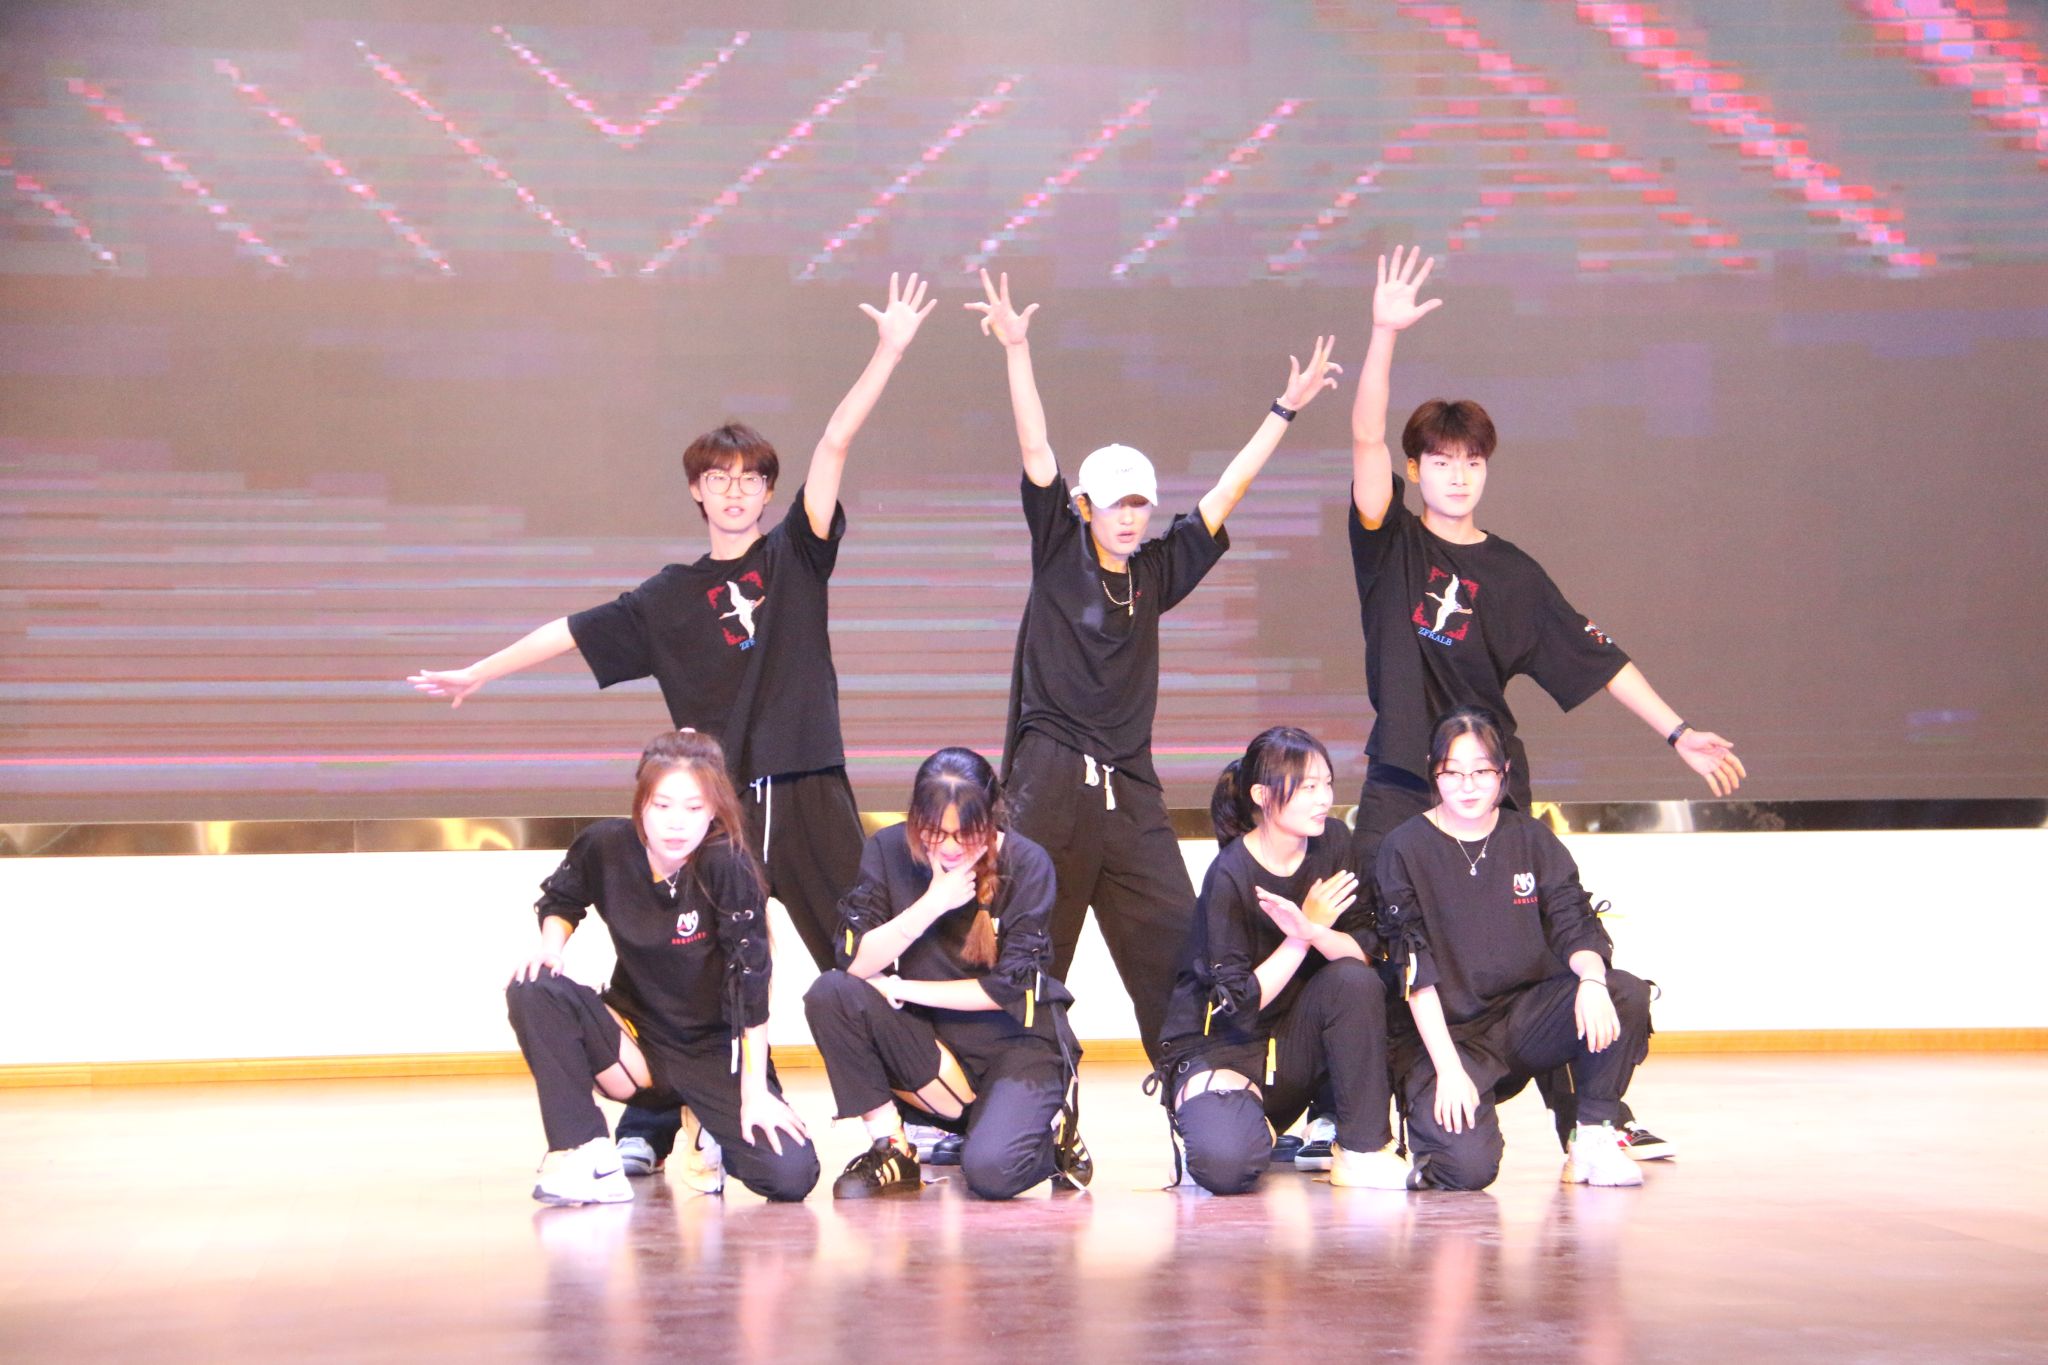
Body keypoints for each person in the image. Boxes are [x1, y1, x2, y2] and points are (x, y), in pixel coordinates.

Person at [413, 273, 936, 1176]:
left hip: (811, 791)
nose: (735, 492)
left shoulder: (797, 555)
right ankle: (667, 1119)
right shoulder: (665, 597)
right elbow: (568, 630)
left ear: (767, 493)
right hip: (719, 810)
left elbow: (836, 440)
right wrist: (480, 673)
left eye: (750, 480)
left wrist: (887, 350)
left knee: (863, 956)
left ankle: (919, 1115)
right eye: (718, 479)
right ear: (697, 490)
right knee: (697, 968)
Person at [1340, 244, 1743, 1161]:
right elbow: (1364, 437)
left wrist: (1677, 730)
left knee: (1551, 950)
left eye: (1471, 461)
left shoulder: (1514, 574)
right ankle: (1374, 1112)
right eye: (1440, 461)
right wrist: (1382, 333)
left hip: (1492, 796)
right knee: (1379, 951)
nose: (1457, 475)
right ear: (1415, 468)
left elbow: (1596, 658)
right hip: (1402, 786)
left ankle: (1590, 1118)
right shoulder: (1390, 543)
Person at [966, 268, 1341, 1064]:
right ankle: (1022, 1099)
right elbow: (1035, 447)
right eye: (1116, 503)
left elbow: (1228, 490)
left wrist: (1284, 409)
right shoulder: (1059, 547)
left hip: (1130, 785)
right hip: (1050, 780)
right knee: (1030, 955)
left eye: (1140, 502)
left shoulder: (1155, 572)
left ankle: (1197, 1090)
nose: (1130, 516)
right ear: (1085, 505)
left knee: (1177, 947)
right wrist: (1017, 348)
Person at [504, 729, 819, 1204]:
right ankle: (585, 1153)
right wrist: (552, 948)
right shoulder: (605, 845)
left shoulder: (728, 864)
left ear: (714, 810)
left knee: (790, 1175)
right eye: (662, 805)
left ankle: (702, 1118)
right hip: (636, 1039)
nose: (676, 824)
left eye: (693, 808)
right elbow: (562, 898)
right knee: (533, 987)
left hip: (714, 1049)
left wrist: (754, 1092)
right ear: (641, 804)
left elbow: (751, 985)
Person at [1376, 707, 1654, 1190]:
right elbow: (1412, 969)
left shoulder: (1530, 838)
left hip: (1523, 1022)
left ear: (1503, 772)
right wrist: (1448, 1069)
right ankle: (1429, 1142)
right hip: (1448, 1037)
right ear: (1433, 773)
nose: (1468, 786)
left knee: (1623, 991)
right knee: (1468, 1169)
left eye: (1482, 771)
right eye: (1452, 773)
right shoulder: (1404, 848)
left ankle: (1592, 1138)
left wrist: (1592, 979)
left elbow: (1573, 920)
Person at [803, 747, 1087, 1200]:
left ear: (990, 819)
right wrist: (934, 902)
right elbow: (854, 961)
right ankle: (893, 1148)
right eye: (934, 832)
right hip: (933, 1045)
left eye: (966, 834)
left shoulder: (1028, 863)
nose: (950, 847)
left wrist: (900, 987)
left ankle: (1049, 1144)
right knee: (831, 993)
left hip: (1017, 1045)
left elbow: (1006, 990)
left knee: (991, 1173)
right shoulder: (888, 849)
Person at [1149, 726, 1411, 1194]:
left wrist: (1314, 931)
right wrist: (1297, 939)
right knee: (1226, 1168)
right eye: (1307, 787)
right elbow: (1237, 1006)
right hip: (1223, 1048)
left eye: (1326, 783)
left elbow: (1366, 954)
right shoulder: (1230, 874)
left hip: (1292, 1049)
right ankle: (1232, 1128)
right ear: (1262, 795)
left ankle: (1361, 1149)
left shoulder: (1335, 842)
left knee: (1354, 980)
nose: (1323, 798)